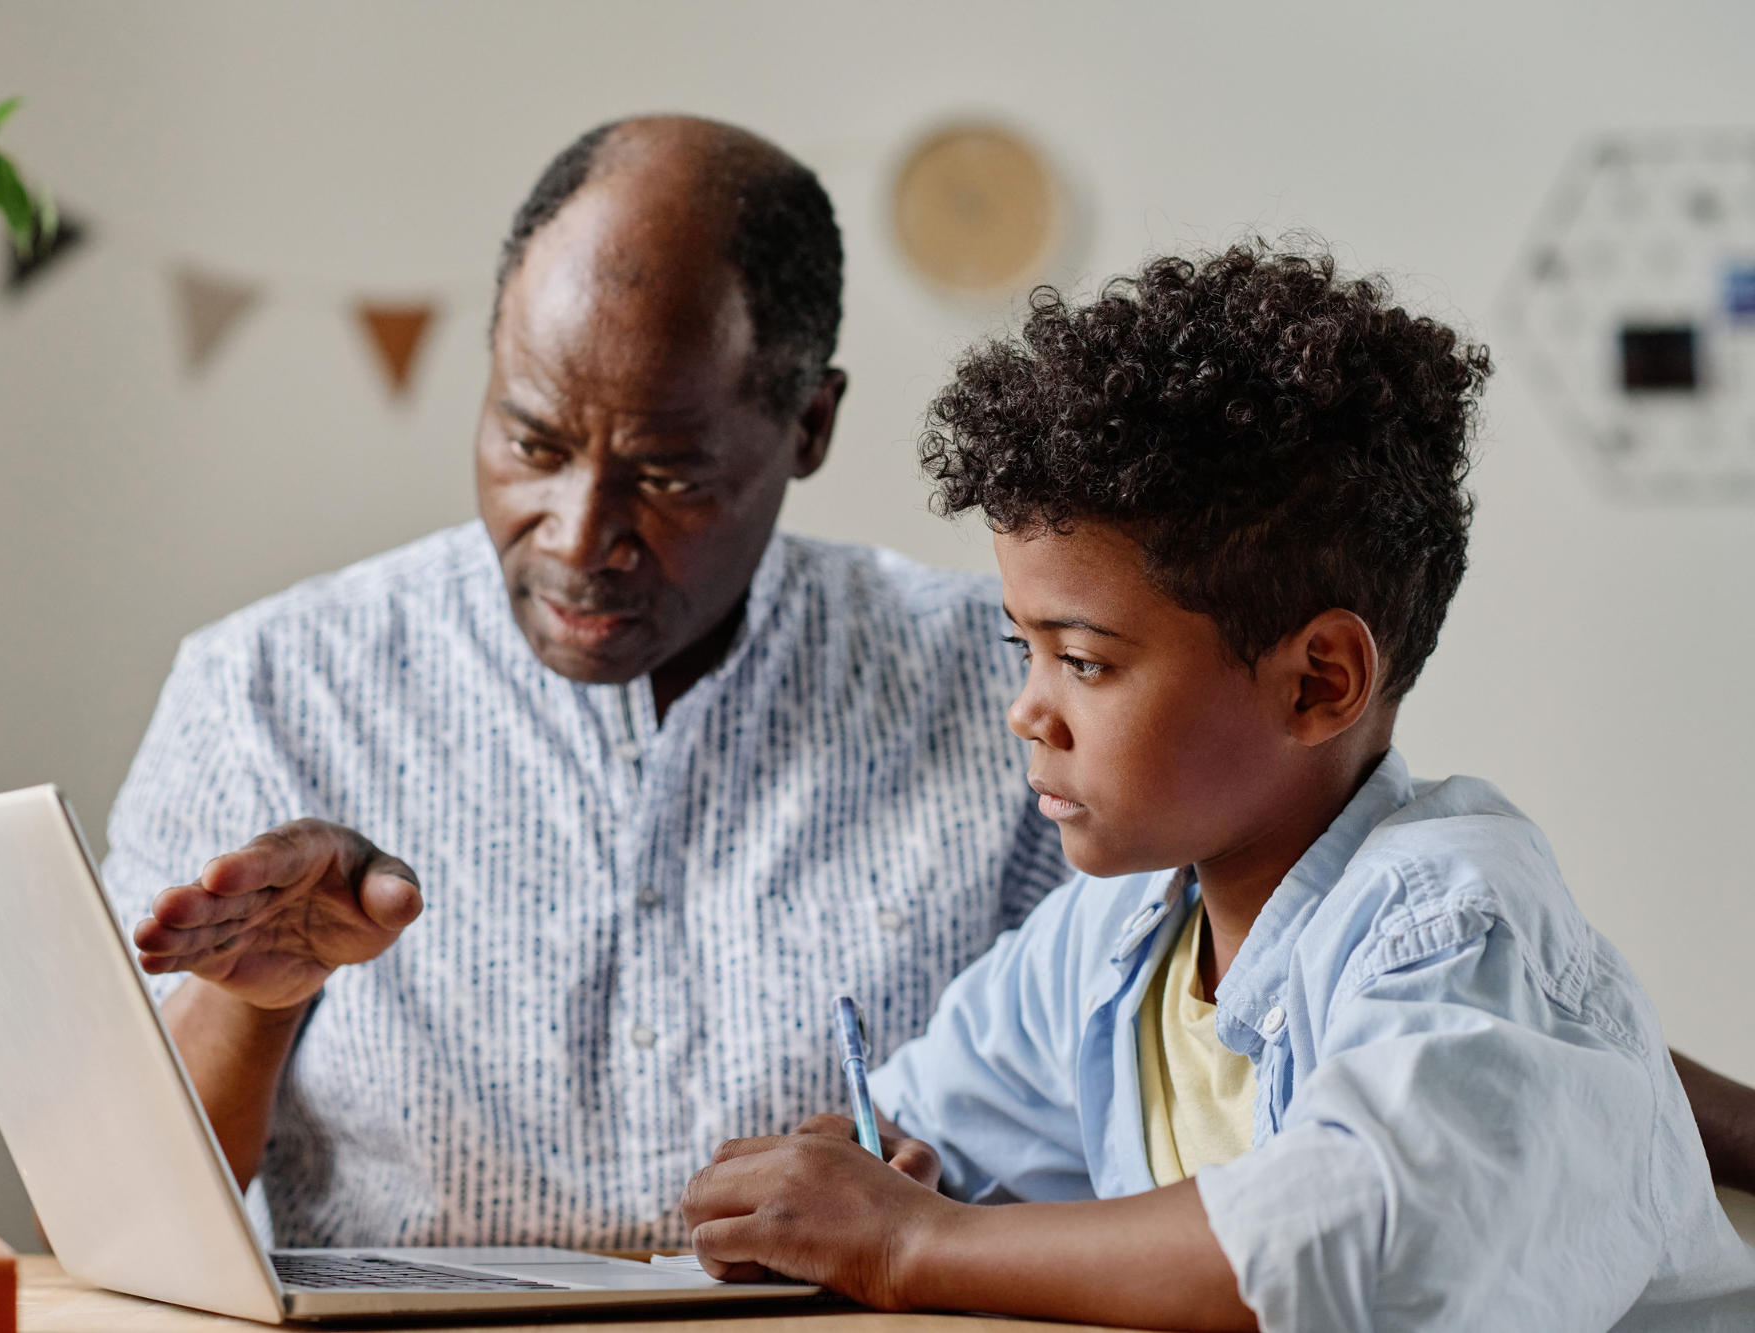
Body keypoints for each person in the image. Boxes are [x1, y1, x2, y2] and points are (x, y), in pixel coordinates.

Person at [678, 247, 1755, 1329]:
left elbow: (1351, 1242)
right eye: (1024, 650)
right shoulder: (1105, 942)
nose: (1027, 711)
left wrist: (915, 1241)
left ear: (1316, 682)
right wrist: (879, 1173)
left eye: (1084, 660)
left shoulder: (1446, 921)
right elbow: (926, 1135)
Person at [100, 116, 1071, 1250]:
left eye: (664, 474)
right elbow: (118, 1220)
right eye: (531, 444)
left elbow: (1123, 1122)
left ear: (808, 425)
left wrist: (942, 1178)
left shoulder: (1004, 689)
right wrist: (247, 1003)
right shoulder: (270, 687)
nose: (577, 534)